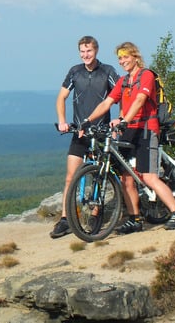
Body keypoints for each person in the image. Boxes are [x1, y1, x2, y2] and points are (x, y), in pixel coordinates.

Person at [81, 41, 175, 233]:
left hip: (147, 129)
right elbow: (106, 103)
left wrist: (124, 119)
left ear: (135, 57)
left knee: (149, 178)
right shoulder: (124, 81)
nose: (122, 61)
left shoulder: (146, 75)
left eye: (125, 57)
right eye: (120, 58)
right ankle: (135, 219)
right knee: (126, 179)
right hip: (130, 130)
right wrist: (87, 120)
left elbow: (140, 100)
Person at [50, 36, 120, 238]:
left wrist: (120, 120)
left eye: (88, 51)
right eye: (82, 51)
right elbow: (61, 97)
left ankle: (95, 214)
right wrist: (62, 120)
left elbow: (120, 95)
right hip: (80, 132)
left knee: (99, 175)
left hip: (100, 132)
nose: (85, 55)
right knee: (70, 177)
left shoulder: (107, 71)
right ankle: (65, 219)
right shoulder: (75, 71)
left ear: (96, 50)